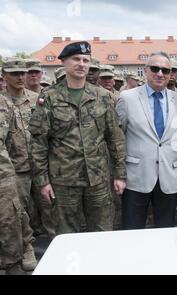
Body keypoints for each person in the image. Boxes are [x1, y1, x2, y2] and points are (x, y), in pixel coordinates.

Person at [29, 41, 127, 235]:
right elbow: (39, 143)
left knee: (102, 233)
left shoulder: (102, 96)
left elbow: (115, 138)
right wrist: (42, 181)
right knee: (66, 236)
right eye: (76, 59)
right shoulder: (49, 97)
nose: (81, 64)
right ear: (64, 62)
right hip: (63, 181)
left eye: (85, 60)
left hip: (97, 180)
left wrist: (119, 174)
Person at [116, 51, 177, 229]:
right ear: (146, 71)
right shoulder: (127, 98)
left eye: (165, 70)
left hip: (170, 176)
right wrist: (118, 174)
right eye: (155, 69)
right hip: (136, 177)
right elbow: (117, 140)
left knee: (166, 229)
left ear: (171, 74)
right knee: (132, 230)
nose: (160, 74)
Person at [0, 93, 35, 274]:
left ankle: (15, 260)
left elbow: (11, 140)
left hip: (4, 173)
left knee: (11, 218)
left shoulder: (4, 102)